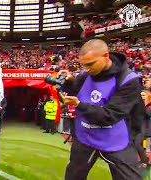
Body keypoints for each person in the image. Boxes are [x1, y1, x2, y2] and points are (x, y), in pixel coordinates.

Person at [60, 39, 144, 180]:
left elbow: (108, 116)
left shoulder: (129, 80)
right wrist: (68, 83)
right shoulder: (84, 75)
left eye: (90, 64)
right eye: (83, 65)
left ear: (106, 56)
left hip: (116, 139)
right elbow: (76, 91)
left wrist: (79, 104)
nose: (86, 69)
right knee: (73, 176)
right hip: (85, 136)